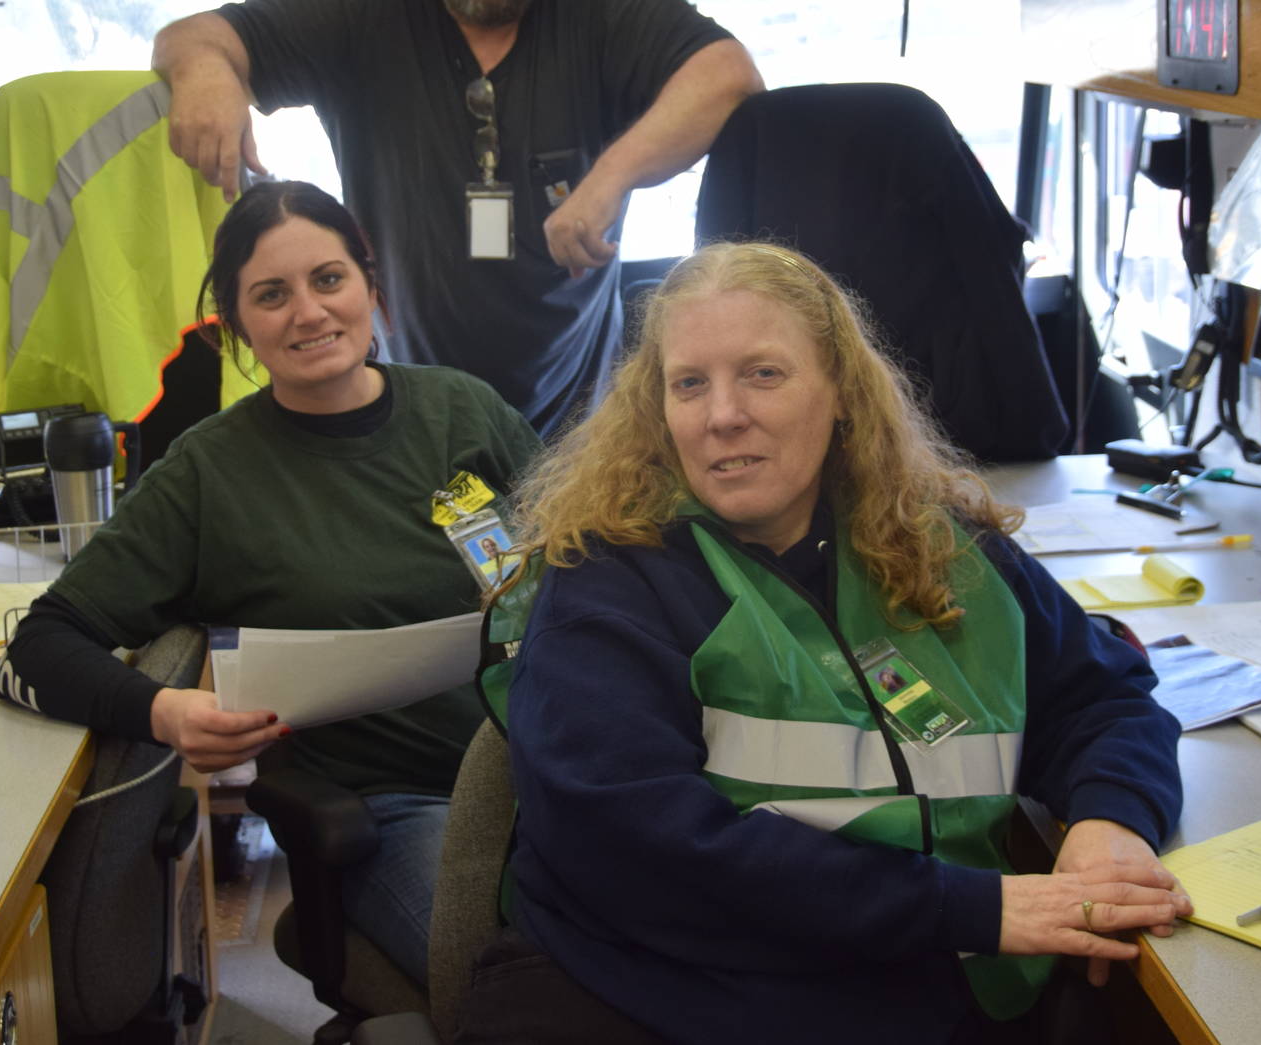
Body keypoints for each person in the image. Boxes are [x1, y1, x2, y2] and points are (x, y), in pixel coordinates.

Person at [464, 242, 1188, 1044]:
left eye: (763, 374)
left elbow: (1103, 695)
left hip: (923, 987)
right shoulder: (606, 584)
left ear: (842, 390)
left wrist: (1110, 826)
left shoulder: (934, 545)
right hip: (680, 997)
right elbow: (649, 851)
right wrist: (973, 907)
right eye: (689, 383)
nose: (721, 414)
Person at [0, 180, 541, 989]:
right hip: (397, 811)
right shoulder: (210, 473)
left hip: (546, 772)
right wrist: (162, 709)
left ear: (368, 284)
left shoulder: (464, 410)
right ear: (238, 324)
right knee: (524, 981)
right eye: (271, 295)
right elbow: (42, 642)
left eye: (329, 279)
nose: (310, 312)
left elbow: (580, 558)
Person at [153, 0, 764, 434]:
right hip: (410, 399)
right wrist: (210, 74)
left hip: (580, 401)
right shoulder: (366, 8)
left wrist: (611, 178)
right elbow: (193, 38)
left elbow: (727, 77)